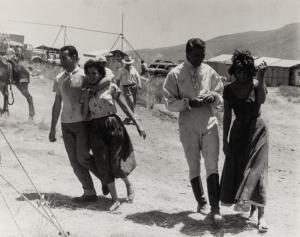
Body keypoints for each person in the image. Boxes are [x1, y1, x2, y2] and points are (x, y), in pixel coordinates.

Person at [163, 38, 224, 224]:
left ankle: (215, 208)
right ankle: (202, 202)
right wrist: (188, 103)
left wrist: (212, 97)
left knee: (212, 164)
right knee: (193, 164)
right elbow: (168, 102)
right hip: (188, 126)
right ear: (187, 53)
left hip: (209, 123)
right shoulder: (175, 74)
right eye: (196, 55)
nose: (199, 58)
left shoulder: (209, 71)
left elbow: (219, 93)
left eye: (202, 55)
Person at [80, 59, 146, 211]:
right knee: (102, 164)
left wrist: (137, 124)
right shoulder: (86, 91)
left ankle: (128, 184)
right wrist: (85, 99)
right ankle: (115, 199)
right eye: (88, 73)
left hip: (113, 125)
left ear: (100, 73)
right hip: (96, 128)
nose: (91, 76)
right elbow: (84, 116)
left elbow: (123, 105)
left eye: (94, 73)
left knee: (115, 164)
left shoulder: (110, 86)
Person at [220, 49, 268, 233]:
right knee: (241, 170)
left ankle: (261, 216)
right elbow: (226, 117)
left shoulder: (256, 85)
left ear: (251, 71)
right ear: (234, 70)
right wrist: (224, 141)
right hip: (239, 132)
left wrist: (262, 77)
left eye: (245, 72)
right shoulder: (228, 89)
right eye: (238, 71)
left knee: (257, 170)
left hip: (258, 130)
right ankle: (251, 208)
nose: (241, 75)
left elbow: (261, 101)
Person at [49, 45, 98, 203]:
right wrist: (52, 129)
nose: (61, 60)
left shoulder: (86, 75)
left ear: (75, 57)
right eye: (60, 58)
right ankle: (89, 192)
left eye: (64, 57)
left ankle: (106, 179)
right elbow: (57, 104)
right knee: (74, 161)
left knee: (83, 157)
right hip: (66, 124)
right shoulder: (59, 78)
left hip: (83, 123)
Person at [114, 56, 141, 124]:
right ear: (125, 63)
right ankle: (133, 117)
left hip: (134, 86)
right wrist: (116, 88)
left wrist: (139, 84)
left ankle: (130, 116)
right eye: (127, 63)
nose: (129, 64)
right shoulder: (121, 70)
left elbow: (138, 77)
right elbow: (118, 80)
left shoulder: (133, 69)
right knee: (130, 102)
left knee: (133, 102)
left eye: (129, 63)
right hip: (126, 88)